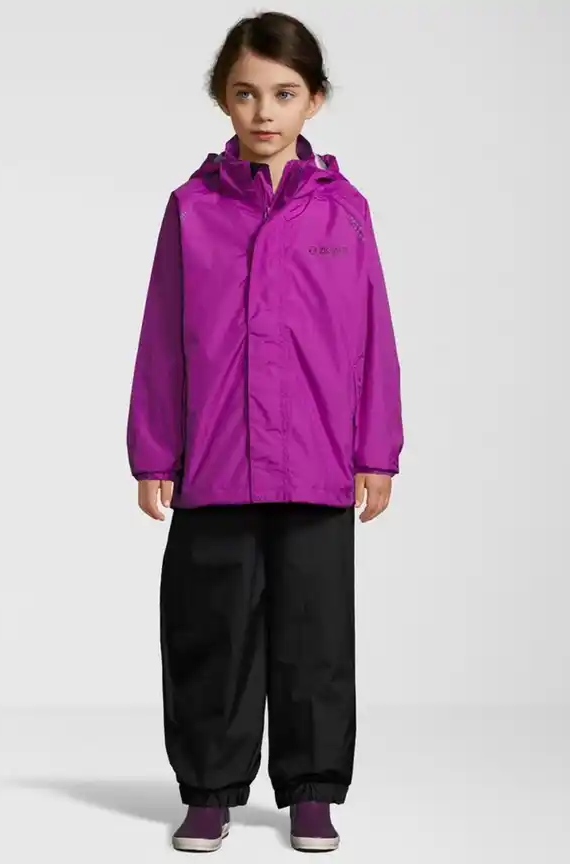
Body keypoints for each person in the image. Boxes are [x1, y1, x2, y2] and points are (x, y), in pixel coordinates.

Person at [126, 10, 403, 854]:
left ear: (314, 101)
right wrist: (153, 453)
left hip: (317, 463)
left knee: (315, 637)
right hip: (215, 461)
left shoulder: (344, 213)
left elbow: (373, 336)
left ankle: (312, 791)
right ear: (223, 98)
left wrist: (377, 451)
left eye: (284, 94)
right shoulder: (192, 208)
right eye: (245, 93)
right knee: (210, 630)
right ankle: (209, 789)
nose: (264, 112)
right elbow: (162, 336)